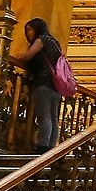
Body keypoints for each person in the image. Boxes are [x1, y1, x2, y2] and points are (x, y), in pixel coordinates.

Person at [14, 16, 65, 151]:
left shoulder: (42, 39)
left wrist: (13, 57)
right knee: (53, 117)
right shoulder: (55, 42)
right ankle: (51, 146)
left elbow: (29, 55)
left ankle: (43, 145)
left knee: (44, 116)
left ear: (37, 28)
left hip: (43, 83)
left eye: (30, 30)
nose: (28, 33)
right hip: (56, 85)